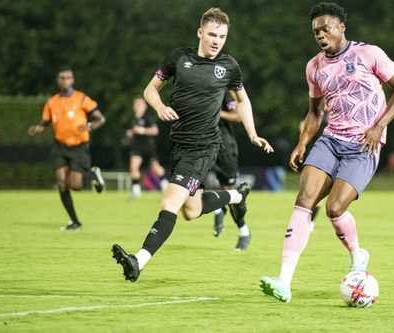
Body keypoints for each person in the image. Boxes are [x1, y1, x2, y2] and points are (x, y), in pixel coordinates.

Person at [260, 2, 394, 302]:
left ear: (342, 27)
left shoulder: (369, 54)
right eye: (316, 31)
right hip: (330, 140)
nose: (320, 34)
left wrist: (379, 126)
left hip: (363, 146)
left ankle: (357, 253)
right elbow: (315, 112)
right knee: (304, 200)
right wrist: (303, 141)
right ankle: (284, 282)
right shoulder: (314, 66)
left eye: (326, 27)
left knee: (334, 208)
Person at [112, 7, 273, 282]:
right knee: (192, 210)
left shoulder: (229, 67)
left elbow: (243, 100)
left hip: (204, 147)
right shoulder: (179, 58)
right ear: (200, 32)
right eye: (212, 34)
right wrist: (160, 106)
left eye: (222, 36)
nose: (216, 40)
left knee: (169, 202)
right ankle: (236, 196)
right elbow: (150, 89)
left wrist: (252, 134)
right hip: (178, 146)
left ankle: (138, 260)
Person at [28, 66, 106, 231]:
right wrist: (37, 129)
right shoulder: (52, 102)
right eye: (62, 78)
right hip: (60, 146)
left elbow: (100, 118)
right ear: (58, 81)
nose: (65, 80)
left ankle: (92, 173)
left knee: (76, 185)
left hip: (79, 146)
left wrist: (90, 126)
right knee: (62, 183)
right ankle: (75, 222)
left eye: (68, 77)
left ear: (72, 80)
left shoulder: (81, 98)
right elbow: (45, 124)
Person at [211, 89, 252, 250]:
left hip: (224, 148)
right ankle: (217, 209)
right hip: (202, 145)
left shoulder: (223, 93)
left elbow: (238, 116)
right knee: (197, 184)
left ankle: (243, 231)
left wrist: (216, 113)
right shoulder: (197, 89)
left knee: (229, 191)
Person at [126, 96, 167, 199]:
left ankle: (165, 187)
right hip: (137, 148)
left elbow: (155, 131)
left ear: (145, 106)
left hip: (149, 148)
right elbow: (133, 131)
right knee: (133, 167)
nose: (138, 106)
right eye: (136, 104)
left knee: (156, 168)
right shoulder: (133, 119)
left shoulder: (147, 118)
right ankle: (136, 192)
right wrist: (130, 133)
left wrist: (141, 130)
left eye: (140, 104)